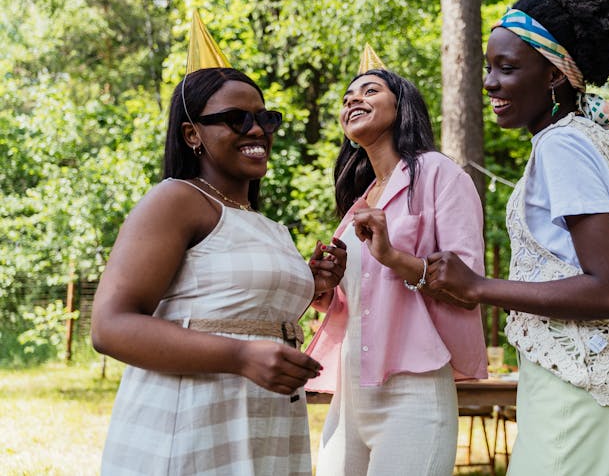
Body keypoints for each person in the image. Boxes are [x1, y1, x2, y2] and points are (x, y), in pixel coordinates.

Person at [425, 0, 609, 474]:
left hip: (577, 389)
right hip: (599, 385)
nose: (489, 82)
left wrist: (480, 286)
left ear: (554, 76)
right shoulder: (591, 137)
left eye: (507, 68)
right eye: (489, 67)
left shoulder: (562, 145)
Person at [91, 64, 346, 475]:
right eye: (237, 119)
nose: (258, 130)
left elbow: (234, 316)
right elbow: (109, 326)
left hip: (266, 429)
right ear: (192, 134)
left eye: (265, 118)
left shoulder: (268, 225)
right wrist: (241, 356)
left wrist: (309, 284)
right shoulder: (176, 199)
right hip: (191, 430)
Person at [304, 63, 488, 476]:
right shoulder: (361, 198)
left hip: (414, 394)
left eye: (369, 91)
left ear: (401, 106)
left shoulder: (441, 174)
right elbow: (360, 301)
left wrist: (394, 257)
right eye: (348, 97)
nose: (354, 99)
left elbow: (469, 283)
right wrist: (324, 287)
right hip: (349, 399)